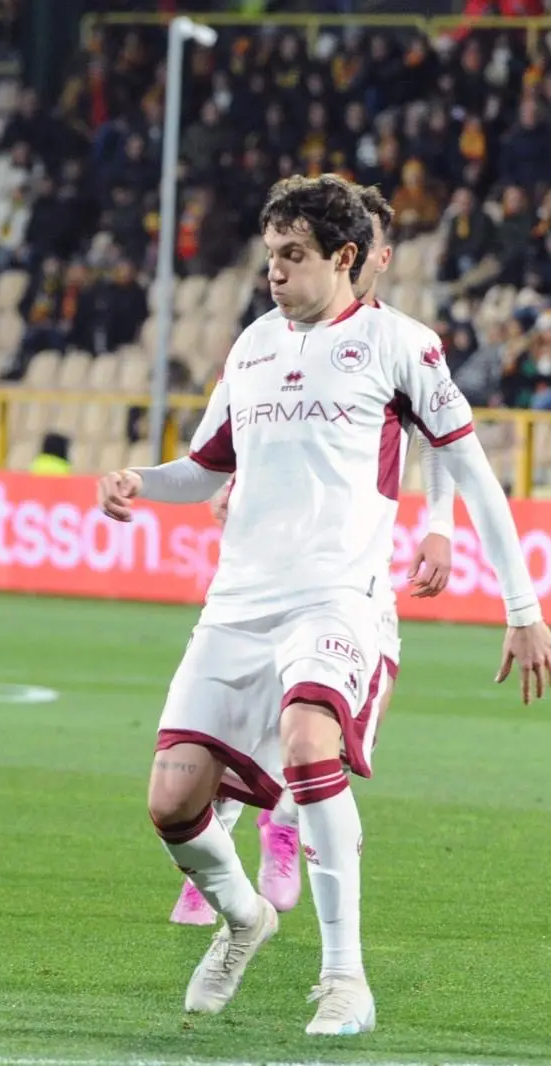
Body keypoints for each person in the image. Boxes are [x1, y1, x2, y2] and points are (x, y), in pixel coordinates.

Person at [98, 174, 551, 1035]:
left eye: (291, 256)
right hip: (236, 604)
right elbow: (204, 468)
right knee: (170, 804)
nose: (273, 272)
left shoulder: (401, 346)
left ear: (344, 258)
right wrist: (139, 484)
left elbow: (471, 473)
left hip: (339, 599)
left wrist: (521, 605)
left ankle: (345, 978)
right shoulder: (251, 347)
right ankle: (244, 916)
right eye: (270, 255)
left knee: (311, 742)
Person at [167, 183, 458, 927]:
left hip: (348, 582)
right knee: (246, 718)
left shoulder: (396, 344)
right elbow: (252, 438)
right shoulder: (271, 338)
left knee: (311, 732)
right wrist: (238, 480)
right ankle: (221, 865)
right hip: (264, 578)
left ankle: (285, 835)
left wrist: (440, 524)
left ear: (367, 257)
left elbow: (443, 444)